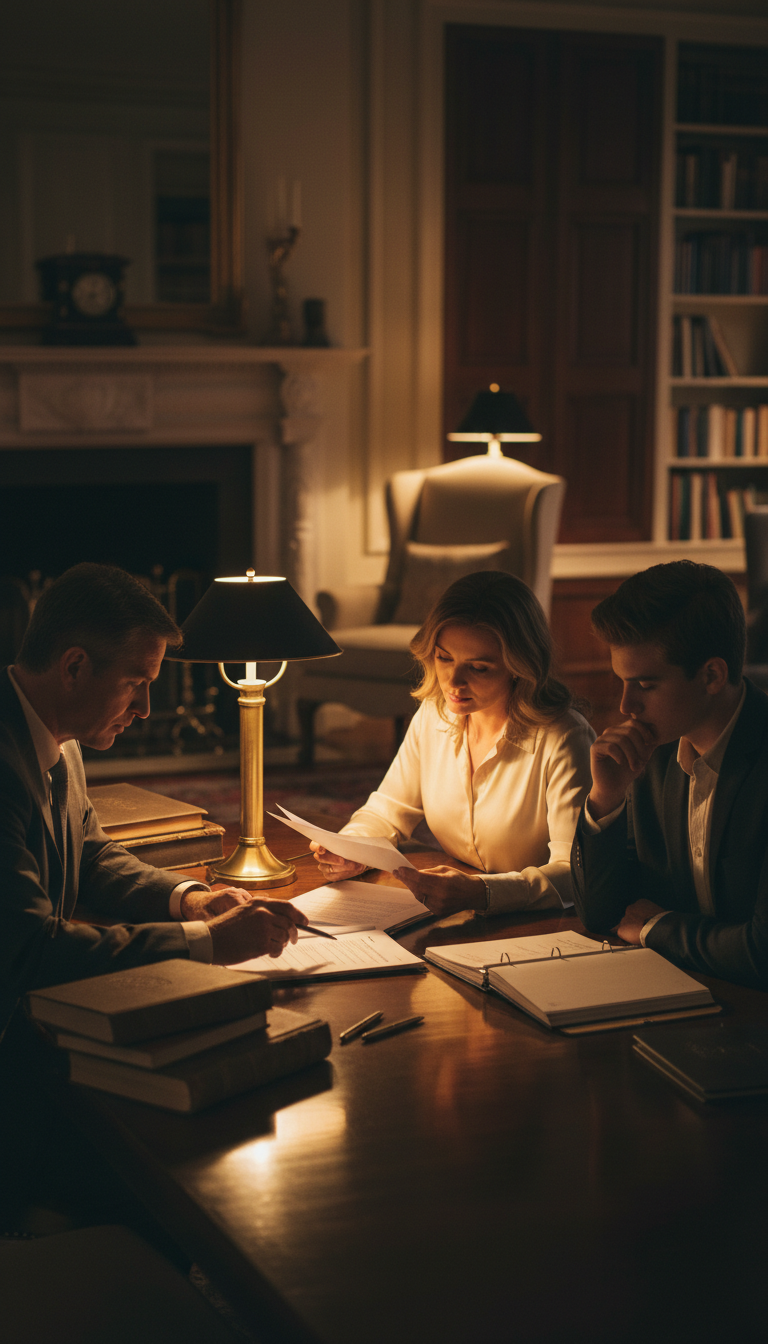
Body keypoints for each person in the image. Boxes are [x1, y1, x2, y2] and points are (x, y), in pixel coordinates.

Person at [0, 562, 306, 1039]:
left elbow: (90, 854)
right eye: (135, 684)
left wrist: (192, 902)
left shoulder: (59, 736)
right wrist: (206, 941)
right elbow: (30, 951)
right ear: (74, 667)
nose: (144, 709)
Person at [311, 570, 594, 916]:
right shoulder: (435, 715)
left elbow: (575, 874)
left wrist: (485, 893)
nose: (453, 682)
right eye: (444, 658)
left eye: (478, 667)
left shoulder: (563, 739)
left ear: (519, 667)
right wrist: (352, 847)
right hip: (458, 909)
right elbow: (387, 810)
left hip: (542, 921)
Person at [571, 559, 768, 990]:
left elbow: (762, 952)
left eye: (645, 684)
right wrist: (606, 798)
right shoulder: (653, 752)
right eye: (622, 681)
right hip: (688, 994)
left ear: (712, 675)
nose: (626, 706)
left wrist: (656, 929)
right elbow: (604, 915)